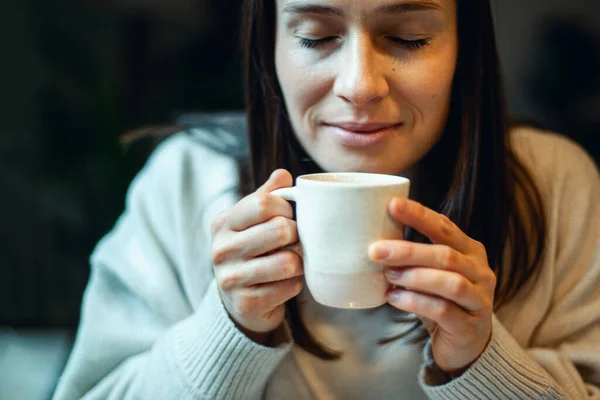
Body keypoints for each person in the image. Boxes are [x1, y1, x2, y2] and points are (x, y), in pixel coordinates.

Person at [53, 0, 600, 399]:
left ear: (466, 48)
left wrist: (481, 363)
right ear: (269, 45)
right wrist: (227, 330)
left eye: (408, 37)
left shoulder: (552, 185)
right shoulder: (187, 181)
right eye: (315, 37)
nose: (359, 86)